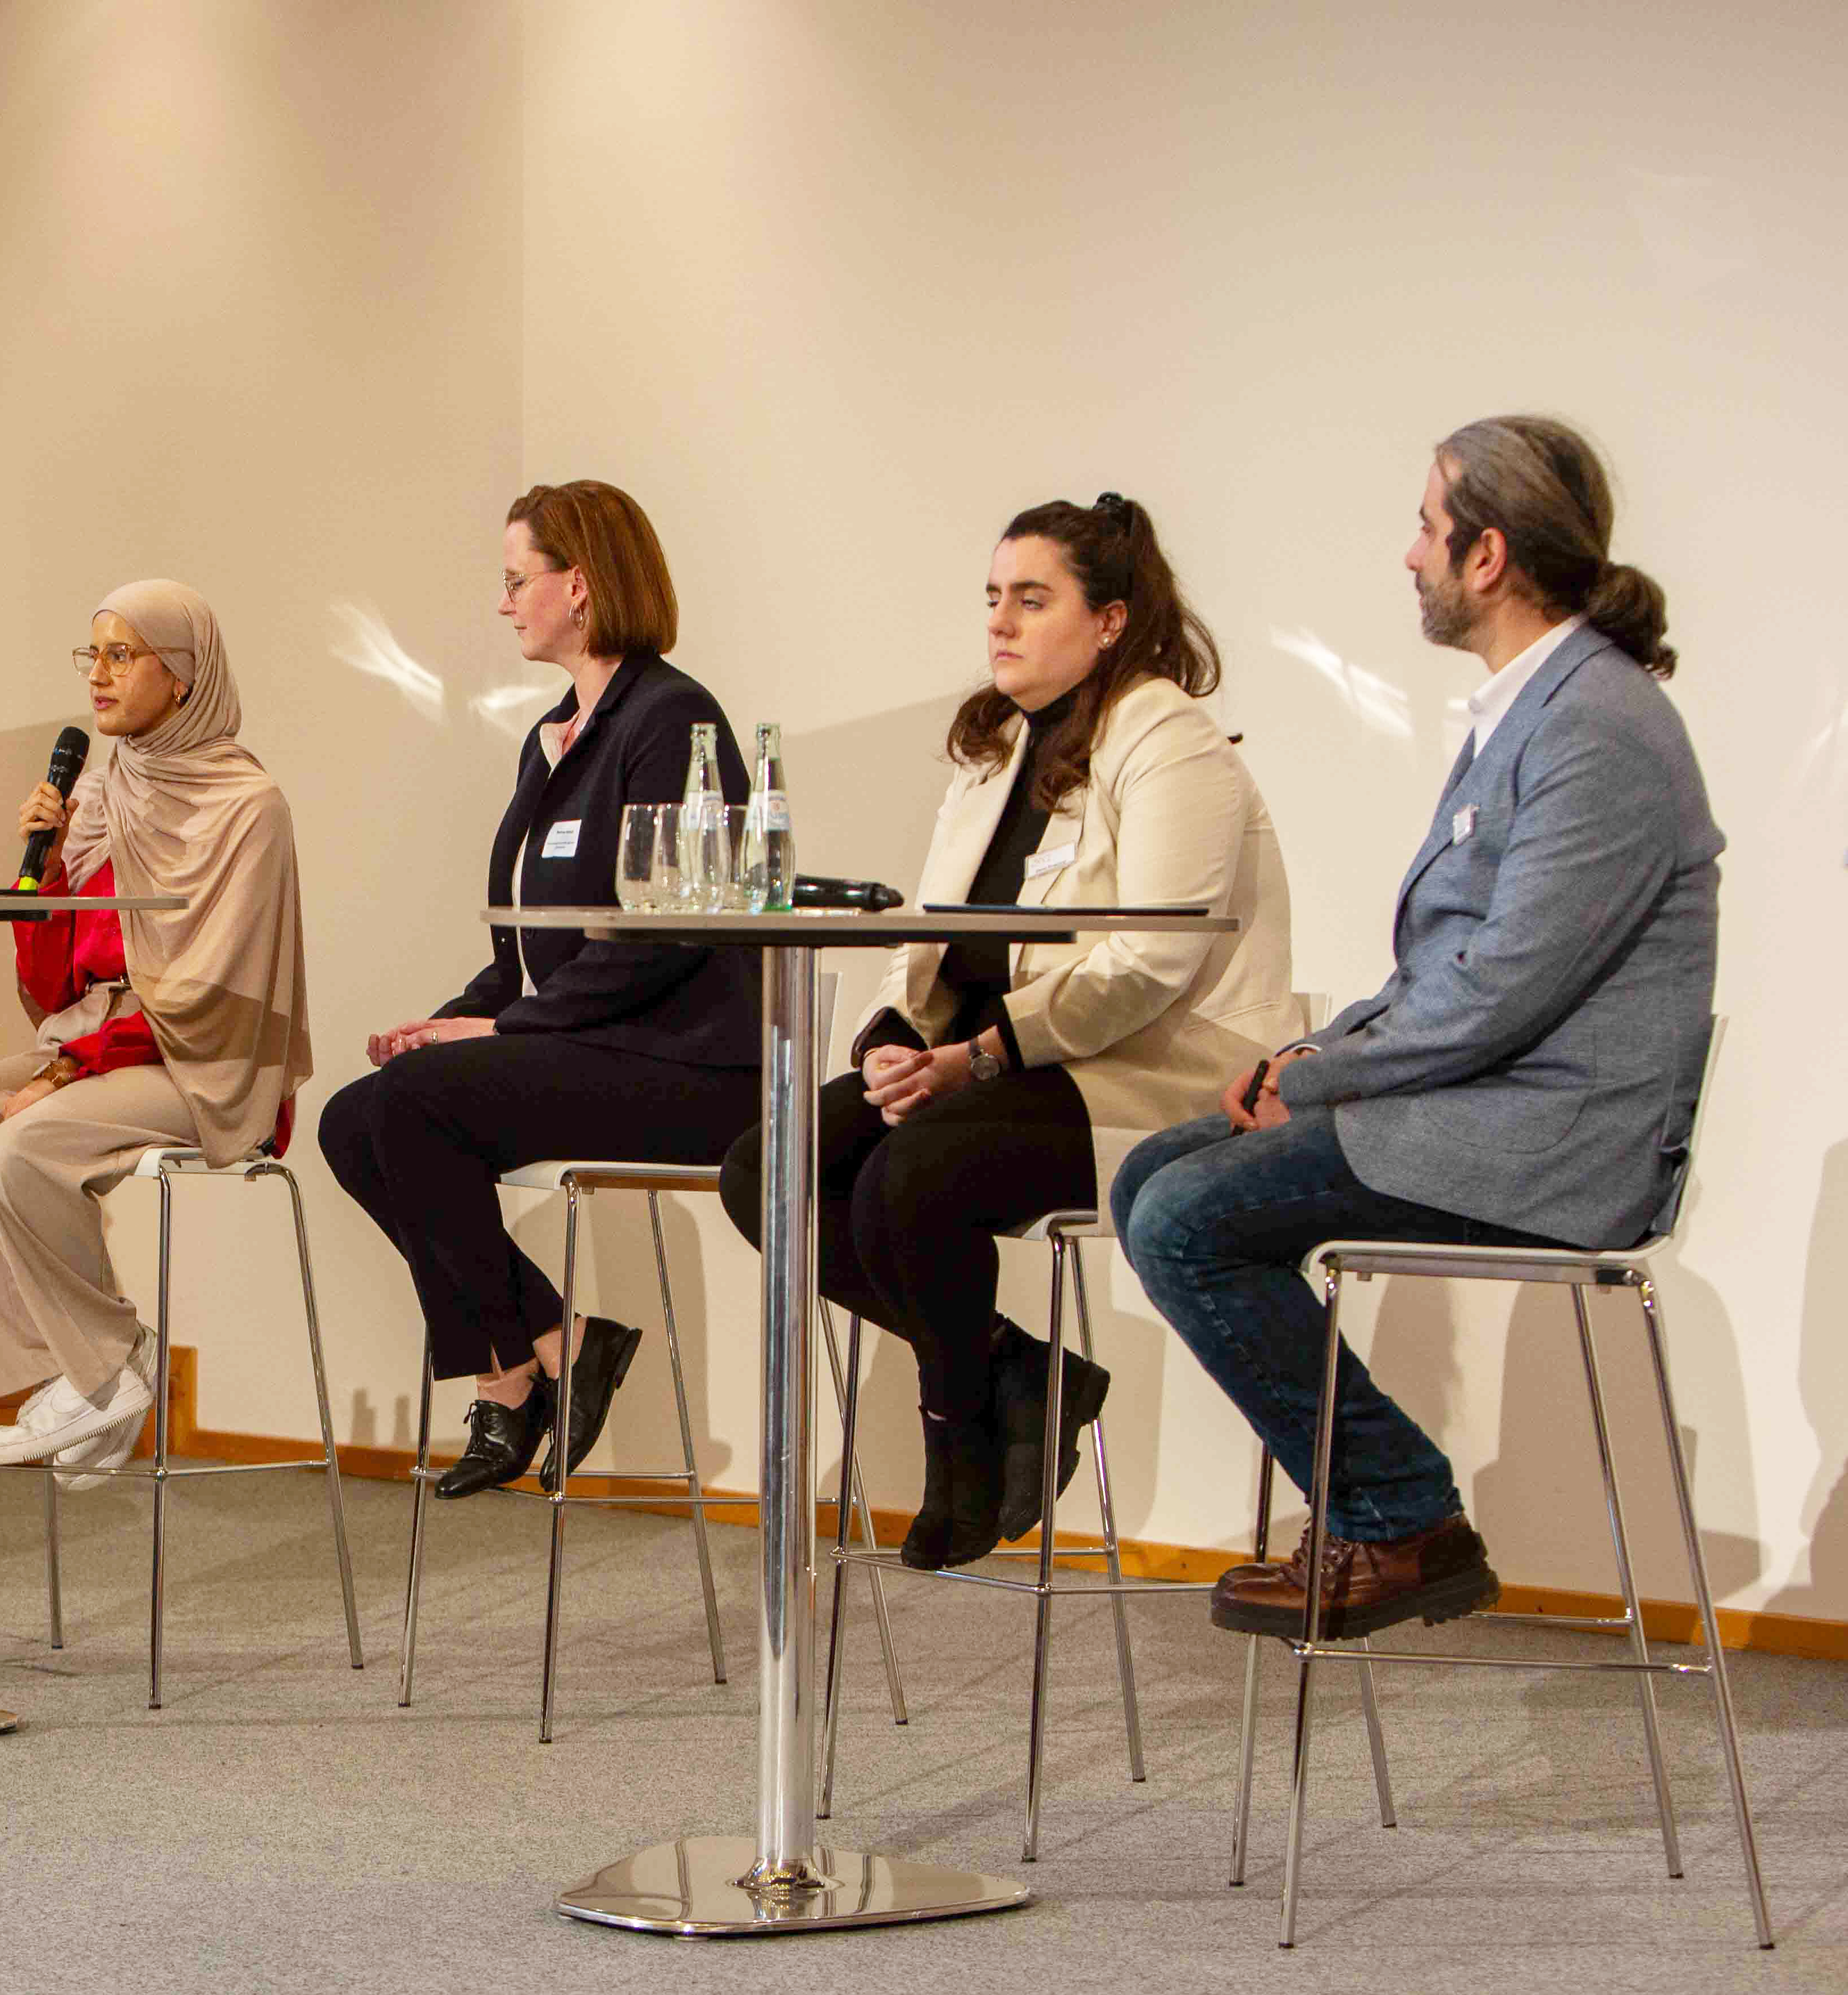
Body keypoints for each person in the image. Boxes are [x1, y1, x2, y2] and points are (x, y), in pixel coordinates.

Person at [1114, 416, 1720, 1639]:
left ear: (1485, 556)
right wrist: (1309, 1056)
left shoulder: (1592, 725)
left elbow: (1501, 987)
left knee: (1186, 1219)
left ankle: (1397, 1520)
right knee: (1151, 1175)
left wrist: (1327, 1076)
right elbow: (1446, 962)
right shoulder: (1535, 708)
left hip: (1551, 1138)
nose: (1407, 556)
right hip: (1495, 1103)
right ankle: (1390, 1516)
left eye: (1424, 528)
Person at [719, 495, 1294, 1570]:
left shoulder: (1170, 737)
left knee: (914, 1171)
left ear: (1110, 620)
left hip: (1147, 1074)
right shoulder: (992, 751)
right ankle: (1013, 1372)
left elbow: (1151, 961)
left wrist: (976, 1056)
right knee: (767, 1166)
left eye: (1032, 600)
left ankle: (957, 1447)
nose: (1001, 623)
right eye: (994, 598)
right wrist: (895, 1033)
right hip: (986, 1060)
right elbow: (934, 935)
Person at [321, 481, 760, 1500]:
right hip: (588, 1045)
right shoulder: (548, 736)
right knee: (353, 1120)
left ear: (582, 584)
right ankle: (553, 1344)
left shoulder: (673, 719)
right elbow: (530, 940)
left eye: (517, 581)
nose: (505, 603)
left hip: (690, 1064)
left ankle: (511, 1374)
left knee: (417, 1111)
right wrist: (457, 1014)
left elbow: (666, 933)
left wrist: (501, 1026)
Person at [0, 580, 311, 1486]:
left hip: (205, 1064)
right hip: (97, 1045)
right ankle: (79, 1370)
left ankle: (107, 1364)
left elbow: (206, 991)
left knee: (18, 1148)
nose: (100, 676)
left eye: (124, 655)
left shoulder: (246, 808)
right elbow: (51, 990)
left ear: (184, 675)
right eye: (94, 655)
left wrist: (71, 1068)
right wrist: (40, 874)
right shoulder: (105, 796)